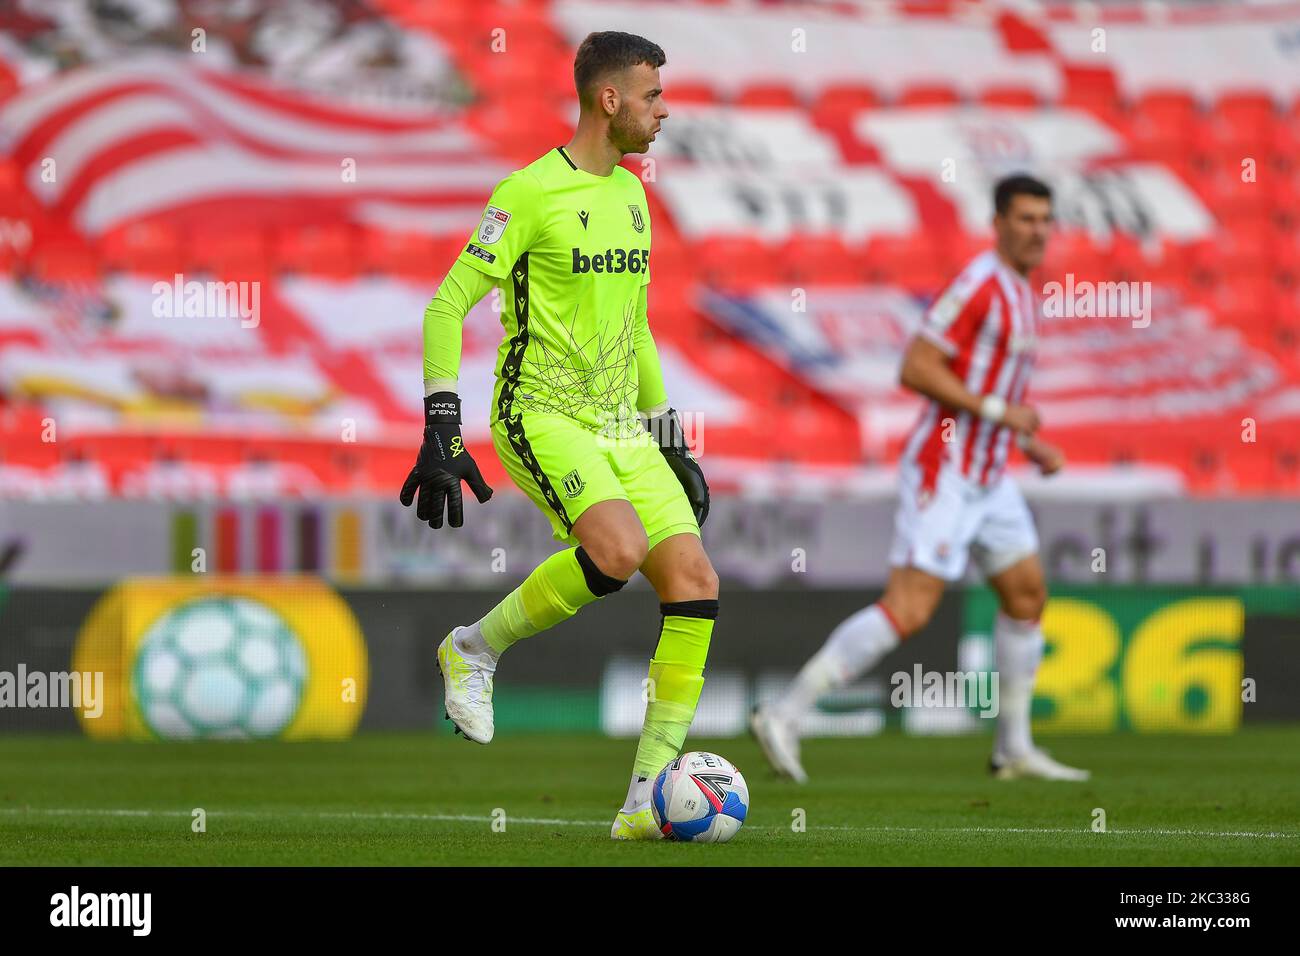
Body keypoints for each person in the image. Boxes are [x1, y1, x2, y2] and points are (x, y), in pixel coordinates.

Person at [401, 31, 718, 839]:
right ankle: (472, 649)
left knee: (692, 579)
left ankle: (644, 802)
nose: (663, 109)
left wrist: (668, 434)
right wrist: (443, 422)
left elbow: (636, 325)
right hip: (540, 412)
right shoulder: (529, 192)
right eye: (651, 95)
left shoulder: (635, 197)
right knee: (616, 552)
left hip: (620, 421)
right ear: (608, 99)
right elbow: (445, 305)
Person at [752, 174, 1089, 783]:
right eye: (1025, 218)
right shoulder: (980, 286)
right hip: (948, 469)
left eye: (1045, 219)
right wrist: (995, 415)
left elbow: (995, 392)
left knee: (1027, 594)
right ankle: (785, 714)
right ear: (998, 222)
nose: (1038, 230)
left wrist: (1027, 441)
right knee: (908, 609)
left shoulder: (1020, 292)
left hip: (993, 473)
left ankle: (1012, 747)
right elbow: (916, 367)